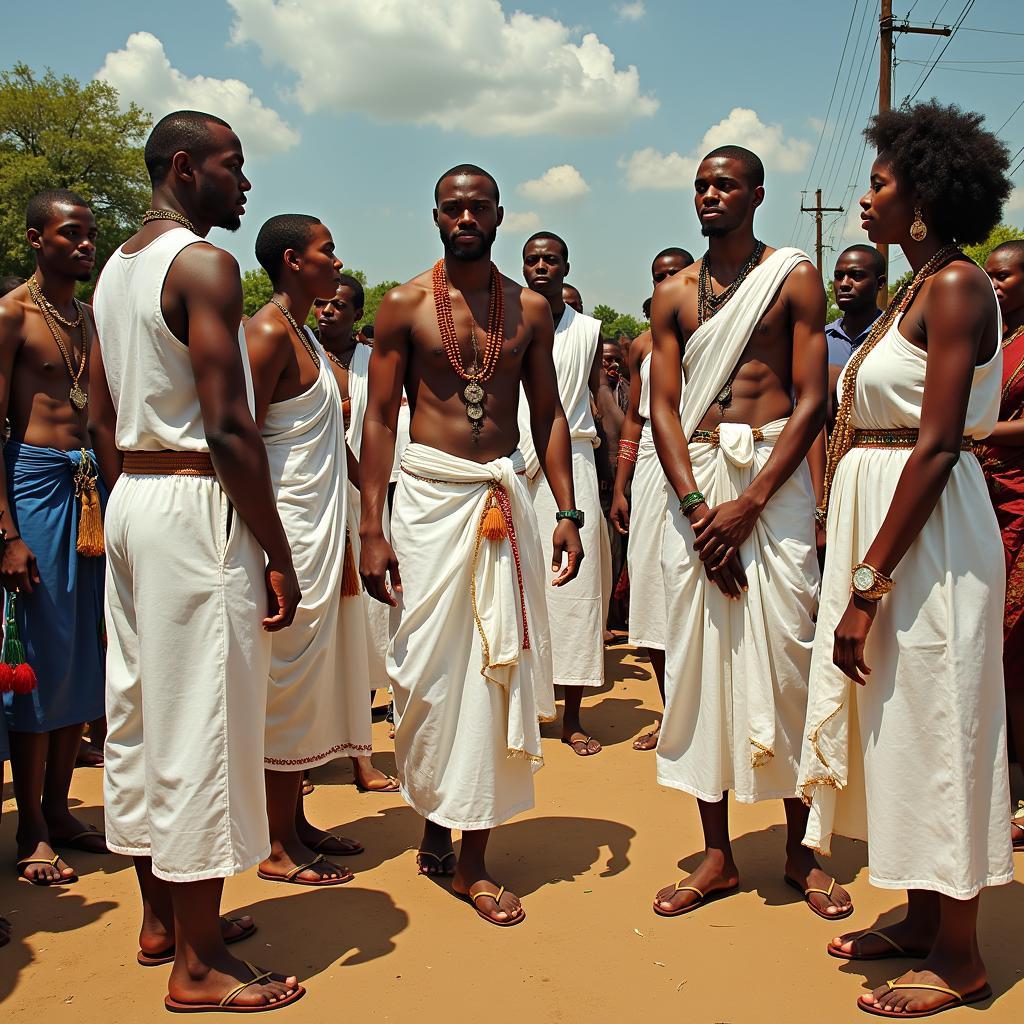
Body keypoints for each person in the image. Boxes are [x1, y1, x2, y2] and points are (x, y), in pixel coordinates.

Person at [798, 102, 1015, 1018]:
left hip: (928, 545)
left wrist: (863, 585)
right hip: (890, 533)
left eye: (880, 184)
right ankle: (923, 918)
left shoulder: (959, 288)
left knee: (941, 726)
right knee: (900, 725)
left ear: (924, 197)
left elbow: (933, 447)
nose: (865, 199)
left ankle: (962, 953)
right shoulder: (916, 286)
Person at [91, 110, 304, 1011]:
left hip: (136, 498)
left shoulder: (114, 268)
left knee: (143, 710)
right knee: (206, 722)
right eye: (233, 165)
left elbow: (101, 413)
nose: (246, 184)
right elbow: (228, 427)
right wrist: (276, 545)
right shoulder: (202, 264)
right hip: (194, 502)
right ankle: (198, 966)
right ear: (185, 167)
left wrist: (125, 508)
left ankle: (164, 920)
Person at [359, 163, 583, 925]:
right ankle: (433, 820)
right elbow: (381, 418)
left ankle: (474, 861)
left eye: (477, 207)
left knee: (494, 674)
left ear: (497, 215)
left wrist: (569, 511)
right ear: (436, 217)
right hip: (426, 504)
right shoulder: (403, 305)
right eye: (452, 207)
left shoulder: (527, 310)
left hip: (501, 496)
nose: (465, 218)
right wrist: (370, 526)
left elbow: (549, 415)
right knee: (427, 678)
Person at [648, 145, 849, 921]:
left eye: (725, 183)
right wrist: (702, 511)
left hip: (772, 486)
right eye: (700, 183)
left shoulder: (792, 277)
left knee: (788, 660)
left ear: (757, 195)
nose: (710, 194)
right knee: (698, 668)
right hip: (697, 484)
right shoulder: (672, 294)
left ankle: (802, 851)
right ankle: (718, 855)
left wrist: (752, 502)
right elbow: (664, 408)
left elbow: (811, 401)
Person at [245, 215, 371, 888]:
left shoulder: (306, 338)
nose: (337, 259)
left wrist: (376, 499)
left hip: (327, 528)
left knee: (312, 676)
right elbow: (237, 442)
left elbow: (327, 444)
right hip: (289, 531)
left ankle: (294, 824)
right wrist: (272, 549)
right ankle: (275, 846)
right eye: (328, 250)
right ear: (294, 261)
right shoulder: (264, 334)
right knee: (286, 684)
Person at [0, 190, 107, 886]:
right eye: (70, 234)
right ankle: (32, 827)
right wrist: (6, 533)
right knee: (37, 654)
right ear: (36, 239)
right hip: (33, 490)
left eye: (89, 234)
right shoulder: (11, 316)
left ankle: (62, 807)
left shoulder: (90, 319)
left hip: (90, 494)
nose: (84, 244)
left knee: (81, 656)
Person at [518, 230, 612, 756]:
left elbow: (599, 396)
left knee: (575, 596)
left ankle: (571, 717)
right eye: (532, 260)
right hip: (516, 462)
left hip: (573, 458)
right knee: (517, 589)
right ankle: (525, 712)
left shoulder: (590, 330)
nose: (541, 267)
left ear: (566, 266)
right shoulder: (506, 321)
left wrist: (619, 463)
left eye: (551, 259)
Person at [314, 276, 400, 794]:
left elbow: (392, 426)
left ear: (357, 313)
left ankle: (360, 757)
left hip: (367, 500)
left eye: (339, 305)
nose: (327, 312)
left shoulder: (377, 362)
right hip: (310, 498)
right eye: (322, 303)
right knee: (312, 625)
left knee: (365, 627)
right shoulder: (296, 350)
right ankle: (293, 759)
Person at [611, 246, 694, 750]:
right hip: (648, 472)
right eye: (658, 276)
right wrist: (621, 485)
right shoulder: (642, 345)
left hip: (702, 461)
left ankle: (707, 708)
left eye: (675, 274)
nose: (666, 282)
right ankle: (670, 711)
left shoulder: (716, 331)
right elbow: (636, 420)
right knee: (651, 592)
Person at [981, 239, 1024, 851]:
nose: (993, 286)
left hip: (1021, 502)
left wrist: (977, 431)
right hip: (982, 501)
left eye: (1005, 277)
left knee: (1018, 645)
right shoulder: (989, 341)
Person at [825, 245, 884, 428]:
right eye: (838, 276)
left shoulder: (895, 337)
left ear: (880, 283)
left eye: (856, 276)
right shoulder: (819, 340)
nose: (844, 283)